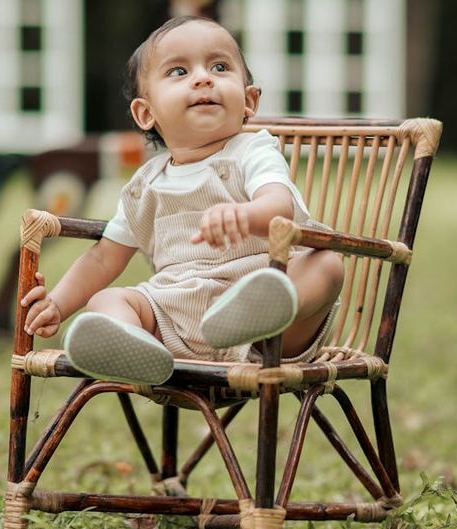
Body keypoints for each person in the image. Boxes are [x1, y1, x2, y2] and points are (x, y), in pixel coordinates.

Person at [21, 15, 344, 385]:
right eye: (178, 71)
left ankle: (243, 316)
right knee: (106, 303)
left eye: (219, 66)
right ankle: (140, 348)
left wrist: (247, 214)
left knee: (327, 265)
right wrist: (58, 305)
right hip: (175, 317)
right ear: (146, 113)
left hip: (267, 328)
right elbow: (103, 258)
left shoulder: (253, 150)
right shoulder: (146, 184)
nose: (203, 77)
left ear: (249, 101)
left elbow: (279, 206)